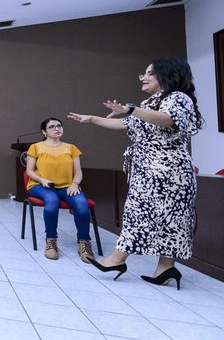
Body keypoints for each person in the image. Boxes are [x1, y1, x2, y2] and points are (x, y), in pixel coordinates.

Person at [68, 58, 203, 289]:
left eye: (151, 73)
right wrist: (91, 119)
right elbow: (123, 124)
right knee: (150, 214)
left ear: (167, 75)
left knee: (164, 218)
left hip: (170, 173)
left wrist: (132, 109)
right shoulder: (149, 103)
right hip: (149, 171)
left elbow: (169, 120)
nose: (144, 76)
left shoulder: (179, 98)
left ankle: (118, 260)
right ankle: (165, 269)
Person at [25, 118, 94, 262]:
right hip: (41, 185)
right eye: (51, 127)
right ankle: (51, 241)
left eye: (59, 126)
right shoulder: (36, 147)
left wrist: (75, 184)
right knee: (52, 200)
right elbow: (29, 171)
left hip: (67, 186)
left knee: (81, 204)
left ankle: (84, 243)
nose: (56, 128)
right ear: (44, 131)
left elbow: (78, 171)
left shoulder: (71, 148)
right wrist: (42, 180)